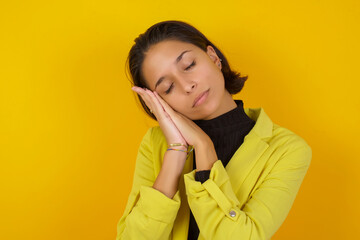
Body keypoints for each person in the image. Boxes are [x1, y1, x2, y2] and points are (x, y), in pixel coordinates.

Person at [115, 20, 312, 240]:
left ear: (213, 57)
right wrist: (177, 151)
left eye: (189, 65)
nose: (187, 85)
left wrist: (203, 146)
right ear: (158, 103)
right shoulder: (155, 143)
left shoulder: (286, 150)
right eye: (168, 88)